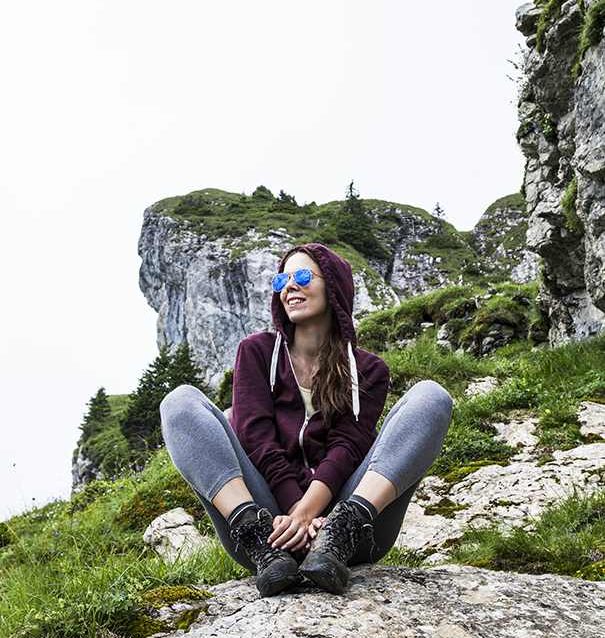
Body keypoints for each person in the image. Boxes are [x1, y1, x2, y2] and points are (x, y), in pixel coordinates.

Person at [160, 243, 453, 597]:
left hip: (350, 531)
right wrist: (293, 516)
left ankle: (342, 528)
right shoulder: (256, 351)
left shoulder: (369, 370)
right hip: (268, 533)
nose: (289, 287)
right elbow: (256, 439)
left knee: (431, 397)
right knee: (180, 403)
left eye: (302, 276)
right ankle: (252, 531)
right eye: (282, 279)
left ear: (333, 286)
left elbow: (349, 445)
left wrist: (313, 515)